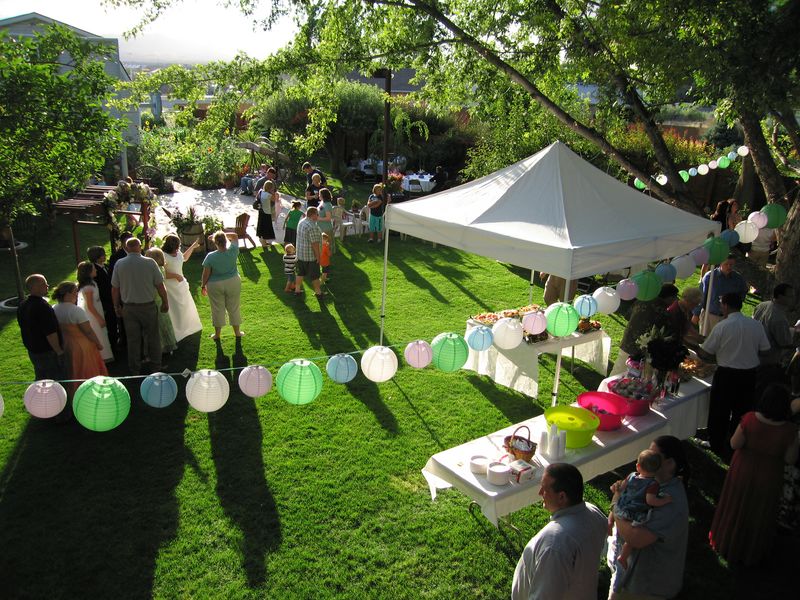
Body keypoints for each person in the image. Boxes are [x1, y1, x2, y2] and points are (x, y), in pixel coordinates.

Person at [709, 385, 799, 566]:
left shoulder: (750, 419)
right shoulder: (790, 431)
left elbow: (734, 444)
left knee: (736, 505)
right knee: (759, 511)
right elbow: (790, 459)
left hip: (743, 469)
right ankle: (751, 549)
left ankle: (728, 541)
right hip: (769, 474)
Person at [608, 435, 690, 599]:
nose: (648, 458)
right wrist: (622, 492)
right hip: (632, 571)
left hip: (646, 587)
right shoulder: (648, 481)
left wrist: (616, 504)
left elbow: (636, 538)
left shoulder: (669, 500)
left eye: (654, 456)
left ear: (670, 464)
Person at [511, 463, 607, 600]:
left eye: (544, 489)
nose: (540, 493)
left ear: (562, 497)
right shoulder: (594, 513)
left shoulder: (555, 544)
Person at [697, 292, 771, 459]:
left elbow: (706, 353)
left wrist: (696, 346)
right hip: (749, 375)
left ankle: (716, 442)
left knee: (719, 411)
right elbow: (766, 350)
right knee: (742, 410)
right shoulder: (756, 325)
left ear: (725, 306)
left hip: (726, 374)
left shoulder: (722, 326)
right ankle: (736, 440)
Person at [111, 237, 169, 375]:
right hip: (148, 306)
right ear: (140, 246)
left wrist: (116, 306)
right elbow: (160, 285)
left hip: (129, 308)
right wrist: (165, 301)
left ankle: (135, 369)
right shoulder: (150, 263)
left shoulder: (119, 264)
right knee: (153, 338)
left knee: (133, 340)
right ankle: (156, 366)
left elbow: (115, 288)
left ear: (126, 248)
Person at [610, 449, 673, 569]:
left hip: (622, 505)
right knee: (631, 539)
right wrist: (665, 500)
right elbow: (651, 500)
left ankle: (609, 523)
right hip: (634, 513)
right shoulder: (653, 484)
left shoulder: (631, 476)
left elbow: (622, 487)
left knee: (614, 506)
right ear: (657, 470)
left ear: (638, 466)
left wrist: (617, 489)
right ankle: (623, 557)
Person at [611, 284, 679, 376]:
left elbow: (627, 316)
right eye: (675, 297)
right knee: (633, 375)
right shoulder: (664, 313)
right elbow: (666, 334)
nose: (676, 300)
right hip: (641, 349)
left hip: (628, 341)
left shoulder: (642, 301)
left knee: (618, 369)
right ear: (670, 298)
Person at [52, 281, 107, 392]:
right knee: (86, 370)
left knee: (72, 370)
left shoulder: (54, 308)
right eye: (74, 292)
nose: (76, 295)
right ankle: (90, 391)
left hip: (66, 344)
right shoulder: (76, 310)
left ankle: (74, 391)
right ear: (67, 294)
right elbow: (88, 331)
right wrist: (98, 343)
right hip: (82, 346)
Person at [17, 274, 64, 381]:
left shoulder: (23, 305)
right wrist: (59, 351)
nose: (47, 285)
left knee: (41, 378)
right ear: (35, 287)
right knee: (54, 381)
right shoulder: (43, 307)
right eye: (44, 284)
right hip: (47, 352)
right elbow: (50, 333)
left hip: (33, 351)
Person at [161, 234, 203, 342]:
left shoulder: (177, 252)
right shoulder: (164, 255)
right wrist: (176, 276)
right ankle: (177, 330)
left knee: (185, 306)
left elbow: (184, 258)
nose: (178, 247)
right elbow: (162, 273)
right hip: (171, 287)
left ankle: (187, 327)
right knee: (175, 308)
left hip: (181, 285)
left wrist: (193, 246)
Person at [201, 231, 243, 340]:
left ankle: (217, 335)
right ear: (226, 240)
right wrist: (219, 235)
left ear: (215, 243)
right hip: (233, 282)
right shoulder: (233, 250)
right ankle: (237, 332)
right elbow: (234, 235)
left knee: (217, 309)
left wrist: (203, 286)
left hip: (215, 285)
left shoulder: (210, 256)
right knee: (234, 307)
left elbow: (206, 273)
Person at [696, 253, 748, 335]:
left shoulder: (738, 279)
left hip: (728, 318)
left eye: (731, 264)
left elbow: (743, 292)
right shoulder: (710, 277)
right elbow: (701, 296)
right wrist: (696, 313)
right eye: (726, 264)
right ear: (720, 263)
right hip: (710, 315)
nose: (729, 267)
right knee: (706, 340)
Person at [753, 283, 796, 377]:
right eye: (790, 296)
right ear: (780, 297)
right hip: (767, 362)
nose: (793, 299)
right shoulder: (779, 317)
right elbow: (785, 343)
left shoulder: (762, 305)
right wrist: (795, 334)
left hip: (753, 355)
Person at [76, 261, 114, 363]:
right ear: (88, 272)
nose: (96, 270)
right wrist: (99, 318)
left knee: (102, 334)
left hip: (97, 311)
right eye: (93, 269)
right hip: (93, 316)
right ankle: (101, 358)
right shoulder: (88, 288)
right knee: (99, 334)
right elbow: (90, 305)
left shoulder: (92, 284)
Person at [144, 248, 178, 356]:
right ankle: (168, 344)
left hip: (155, 297)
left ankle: (160, 347)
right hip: (159, 297)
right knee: (164, 323)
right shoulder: (161, 268)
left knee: (157, 325)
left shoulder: (155, 269)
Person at [87, 245, 117, 350]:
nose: (105, 256)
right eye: (102, 255)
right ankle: (112, 347)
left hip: (112, 299)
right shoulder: (94, 271)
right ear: (97, 257)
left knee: (114, 324)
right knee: (109, 325)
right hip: (105, 302)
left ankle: (115, 344)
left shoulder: (106, 266)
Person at [294, 206, 324, 299]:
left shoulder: (301, 222)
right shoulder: (312, 227)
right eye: (317, 214)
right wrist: (318, 257)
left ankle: (297, 290)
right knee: (315, 276)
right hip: (311, 256)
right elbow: (315, 244)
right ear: (313, 214)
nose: (318, 216)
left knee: (300, 273)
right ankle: (318, 292)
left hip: (300, 254)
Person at [255, 179, 279, 247]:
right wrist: (273, 193)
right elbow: (275, 200)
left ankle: (263, 241)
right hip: (267, 212)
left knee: (261, 226)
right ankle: (263, 242)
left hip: (261, 211)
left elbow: (257, 198)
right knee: (267, 227)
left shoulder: (261, 192)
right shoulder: (269, 195)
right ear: (270, 188)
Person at [317, 187, 335, 252]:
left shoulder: (327, 205)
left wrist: (318, 218)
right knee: (322, 244)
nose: (318, 195)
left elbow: (328, 218)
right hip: (320, 227)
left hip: (326, 228)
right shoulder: (322, 202)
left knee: (327, 244)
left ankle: (327, 255)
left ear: (323, 195)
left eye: (320, 194)